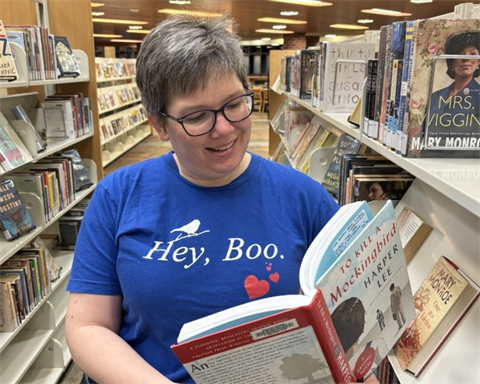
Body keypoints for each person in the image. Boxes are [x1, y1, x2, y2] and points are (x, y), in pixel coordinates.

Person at [64, 12, 371, 384]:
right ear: (158, 124)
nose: (224, 128)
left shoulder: (303, 196)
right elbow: (88, 327)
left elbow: (350, 317)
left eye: (234, 104)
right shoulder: (119, 195)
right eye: (196, 117)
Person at [426, 31, 480, 143]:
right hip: (429, 155)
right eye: (460, 53)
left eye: (473, 54)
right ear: (452, 61)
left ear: (478, 62)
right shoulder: (435, 96)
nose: (466, 59)